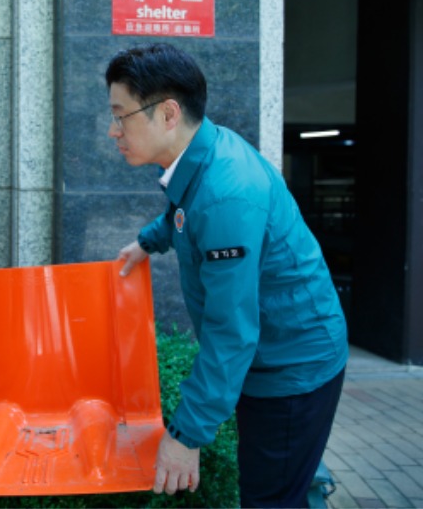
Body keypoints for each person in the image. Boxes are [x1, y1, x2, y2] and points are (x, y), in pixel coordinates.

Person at [107, 43, 348, 507]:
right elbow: (183, 211)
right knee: (279, 483)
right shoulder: (203, 152)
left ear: (169, 113)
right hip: (273, 354)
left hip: (292, 367)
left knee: (268, 497)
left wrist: (186, 435)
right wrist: (148, 240)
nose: (113, 130)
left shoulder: (228, 191)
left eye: (122, 116)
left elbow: (231, 331)